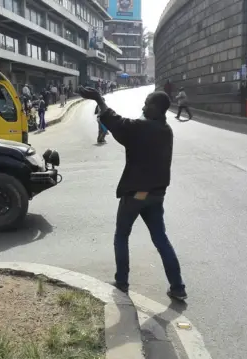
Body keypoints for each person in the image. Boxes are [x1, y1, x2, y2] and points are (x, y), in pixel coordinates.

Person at [78, 86, 187, 301]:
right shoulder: (166, 130)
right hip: (156, 194)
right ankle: (178, 287)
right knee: (161, 239)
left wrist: (99, 99)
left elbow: (118, 123)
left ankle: (122, 282)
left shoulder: (143, 128)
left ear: (157, 108)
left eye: (147, 103)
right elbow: (123, 125)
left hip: (136, 194)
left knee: (121, 235)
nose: (144, 106)